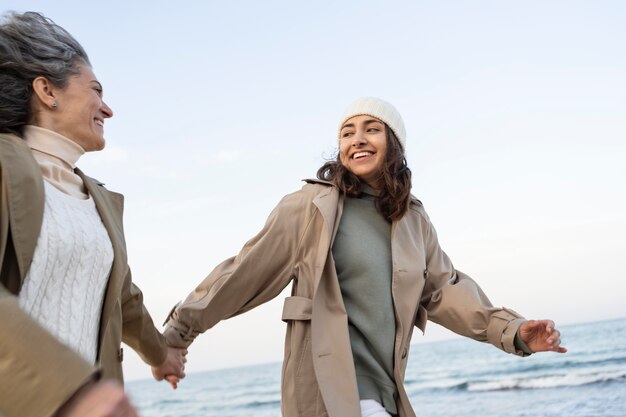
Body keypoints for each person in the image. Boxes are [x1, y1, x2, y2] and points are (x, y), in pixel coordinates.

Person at [162, 97, 566, 417]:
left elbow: (445, 290)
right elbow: (244, 273)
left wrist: (513, 330)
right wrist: (179, 333)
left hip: (386, 394)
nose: (357, 139)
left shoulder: (412, 219)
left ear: (394, 145)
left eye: (371, 129)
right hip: (327, 392)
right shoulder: (311, 208)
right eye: (347, 133)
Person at [0, 11, 187, 417]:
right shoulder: (3, 164)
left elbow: (125, 299)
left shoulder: (99, 199)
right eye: (96, 90)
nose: (107, 109)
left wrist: (161, 356)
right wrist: (68, 390)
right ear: (47, 90)